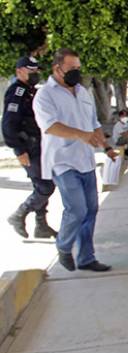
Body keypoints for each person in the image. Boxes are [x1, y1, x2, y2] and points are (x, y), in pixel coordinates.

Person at [33, 48, 116, 272]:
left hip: (86, 160)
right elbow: (50, 126)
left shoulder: (82, 92)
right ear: (57, 69)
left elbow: (94, 123)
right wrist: (82, 135)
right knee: (77, 209)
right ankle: (63, 246)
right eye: (71, 69)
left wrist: (106, 147)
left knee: (91, 210)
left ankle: (86, 258)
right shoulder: (45, 95)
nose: (76, 73)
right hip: (62, 161)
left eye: (78, 68)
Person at [4, 56, 58, 239]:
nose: (35, 74)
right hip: (28, 147)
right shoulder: (17, 92)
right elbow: (9, 123)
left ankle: (41, 226)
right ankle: (19, 215)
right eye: (30, 71)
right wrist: (18, 149)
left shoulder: (30, 91)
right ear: (19, 71)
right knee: (45, 186)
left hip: (38, 145)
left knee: (42, 183)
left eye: (36, 71)